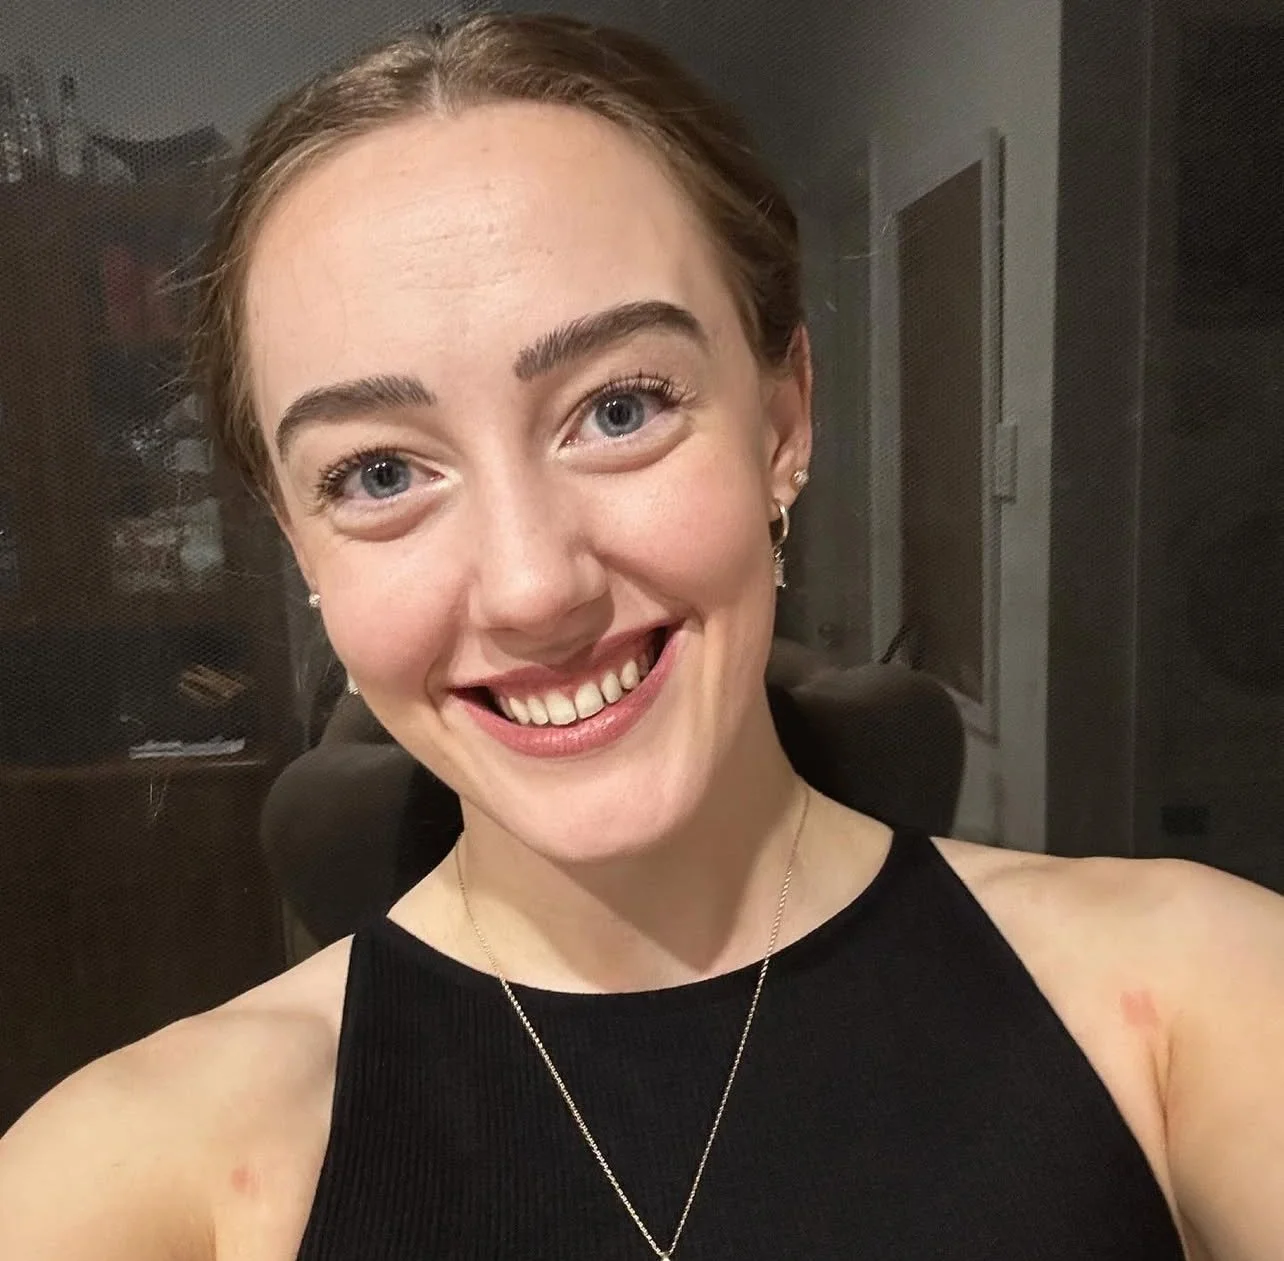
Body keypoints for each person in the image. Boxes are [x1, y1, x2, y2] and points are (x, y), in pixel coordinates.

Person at [1, 12, 1281, 1259]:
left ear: (782, 424)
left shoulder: (1194, 998)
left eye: (619, 407)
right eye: (380, 473)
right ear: (296, 541)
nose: (528, 588)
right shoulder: (147, 1162)